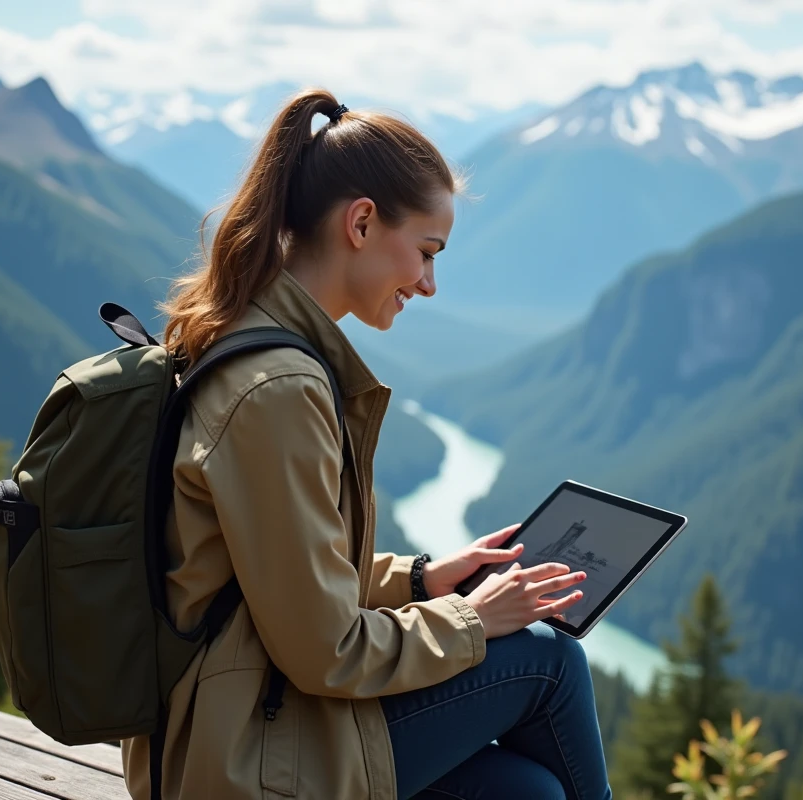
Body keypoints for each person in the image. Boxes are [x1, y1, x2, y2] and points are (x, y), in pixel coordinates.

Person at [120, 88, 613, 800]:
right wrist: (474, 617)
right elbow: (327, 650)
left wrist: (422, 580)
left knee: (529, 791)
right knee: (548, 659)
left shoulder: (242, 336)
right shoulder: (278, 390)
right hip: (240, 759)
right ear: (360, 223)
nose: (430, 284)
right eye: (426, 252)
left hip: (238, 723)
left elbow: (280, 578)